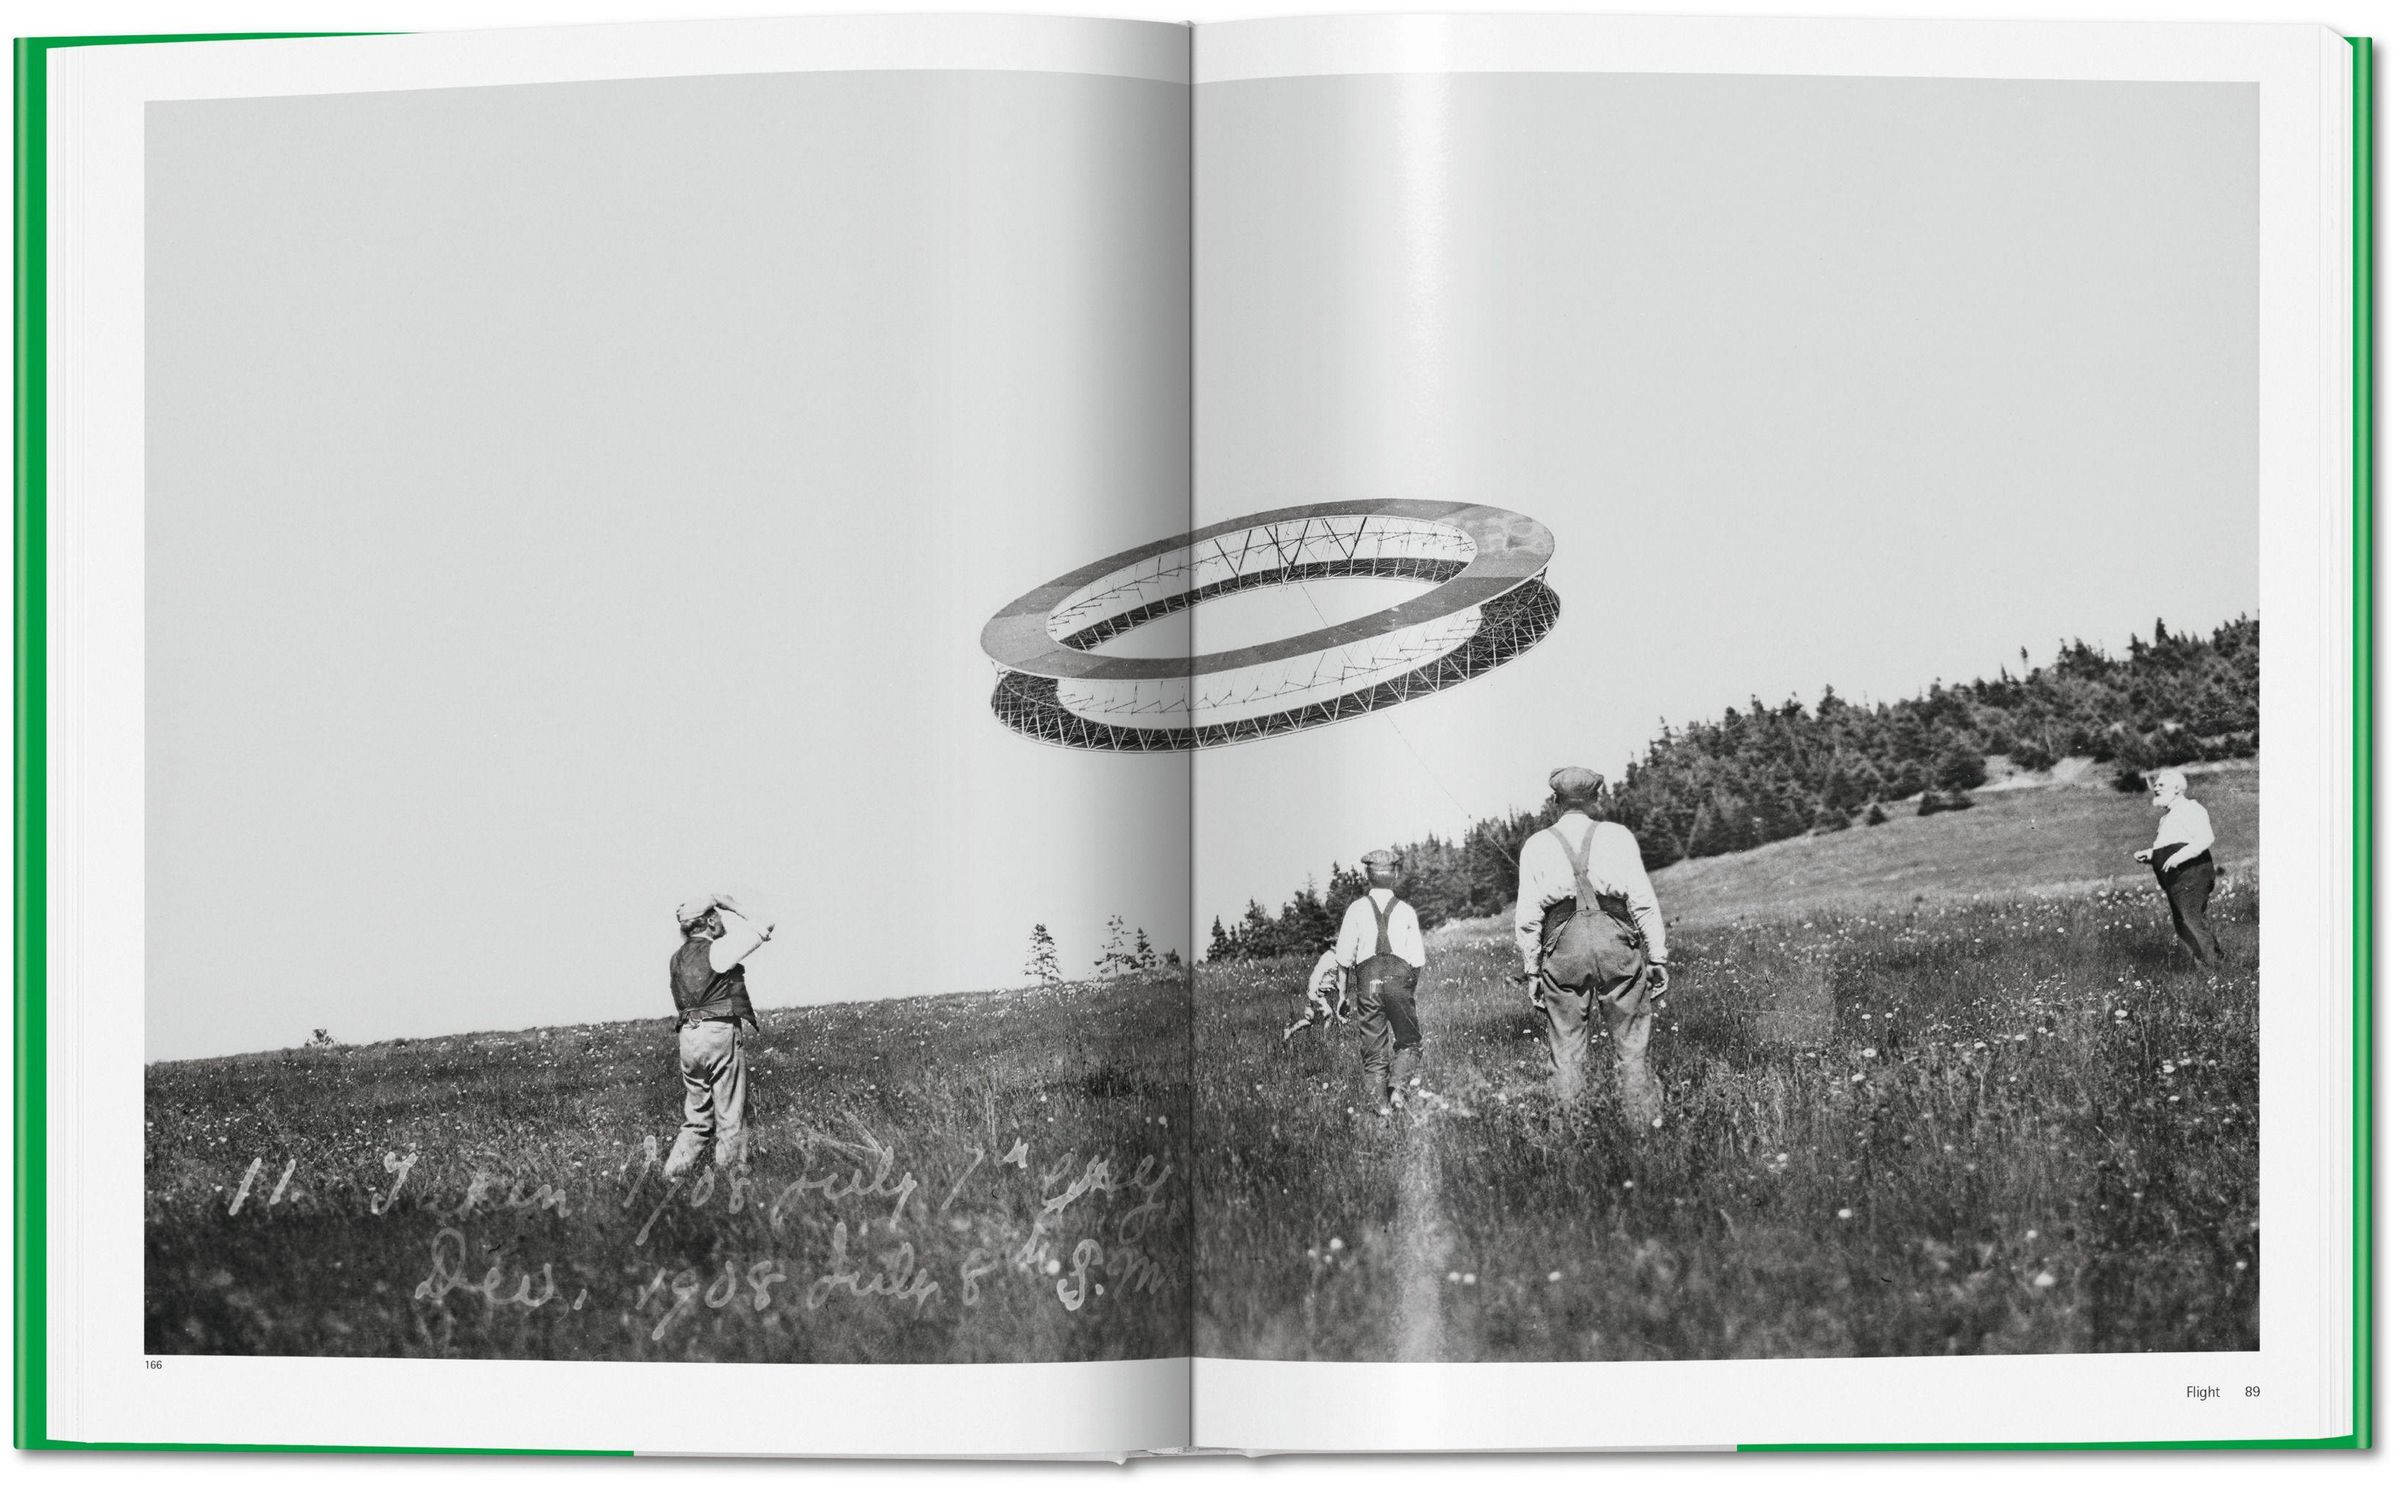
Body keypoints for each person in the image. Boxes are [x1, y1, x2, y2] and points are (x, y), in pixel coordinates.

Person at [1514, 767, 1670, 1123]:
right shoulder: (1618, 836)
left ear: (1556, 801)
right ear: (1595, 799)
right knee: (1632, 1044)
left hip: (1563, 944)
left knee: (1566, 1048)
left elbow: (1528, 917)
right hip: (1616, 940)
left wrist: (1532, 970)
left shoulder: (1536, 845)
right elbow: (1643, 901)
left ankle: (1572, 1131)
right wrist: (1657, 957)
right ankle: (1643, 1126)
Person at [663, 892, 775, 1179]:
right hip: (718, 1032)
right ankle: (731, 1179)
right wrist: (732, 904)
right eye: (719, 916)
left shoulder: (676, 959)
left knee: (697, 1118)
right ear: (710, 922)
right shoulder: (718, 950)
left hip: (687, 1037)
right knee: (730, 1113)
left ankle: (672, 1175)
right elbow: (766, 924)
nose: (722, 921)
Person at [1334, 848, 1427, 1112]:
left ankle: (1381, 1110)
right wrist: (1406, 990)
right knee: (1409, 1042)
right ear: (1395, 875)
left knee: (1373, 1053)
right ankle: (1397, 1089)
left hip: (1369, 984)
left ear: (1367, 876)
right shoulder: (1406, 911)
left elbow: (1343, 959)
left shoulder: (1356, 910)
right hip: (1399, 981)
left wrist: (1342, 995)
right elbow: (1417, 962)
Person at [2134, 768, 2224, 970]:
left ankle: (2214, 967)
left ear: (2176, 788)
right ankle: (2209, 965)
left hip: (2192, 873)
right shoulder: (2166, 817)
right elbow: (2170, 846)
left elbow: (2205, 838)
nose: (2155, 788)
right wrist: (2150, 855)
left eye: (2161, 785)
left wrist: (2178, 858)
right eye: (2155, 785)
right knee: (2182, 924)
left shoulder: (2191, 808)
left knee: (2190, 920)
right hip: (2176, 878)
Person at [1282, 945, 1345, 1041]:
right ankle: (1326, 1041)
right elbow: (1317, 975)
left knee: (1309, 1020)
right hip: (1316, 993)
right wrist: (1313, 993)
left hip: (1315, 992)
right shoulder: (1330, 958)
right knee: (1330, 1016)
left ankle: (1289, 1031)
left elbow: (1333, 978)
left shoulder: (1335, 959)